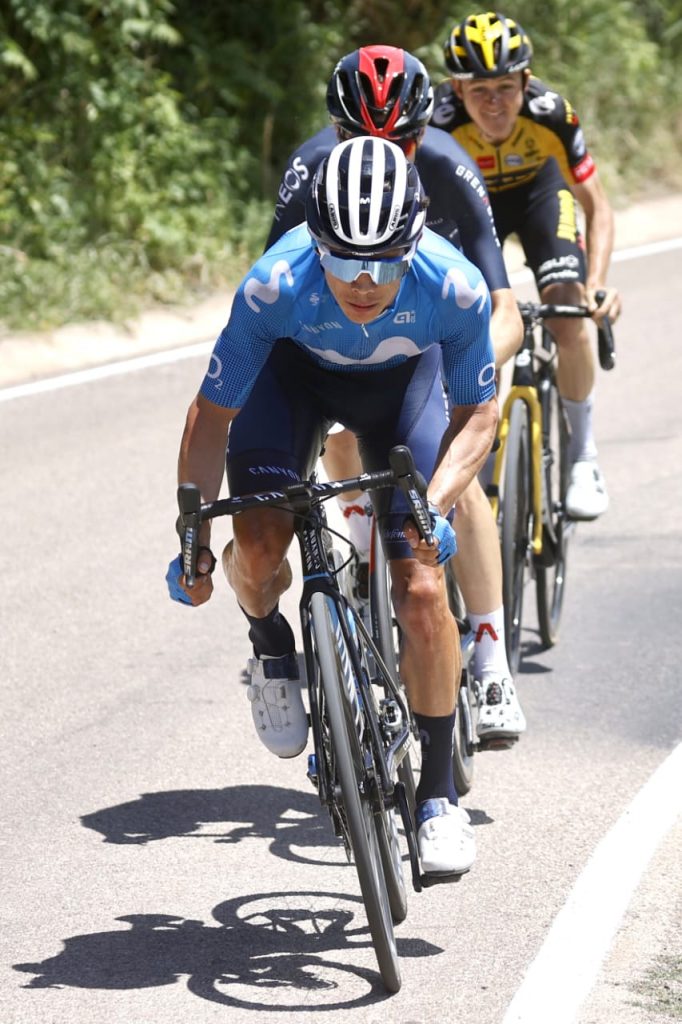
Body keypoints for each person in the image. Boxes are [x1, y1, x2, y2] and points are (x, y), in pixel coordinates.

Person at [167, 137, 499, 874]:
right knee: (258, 543)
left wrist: (437, 503)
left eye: (384, 261)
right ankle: (271, 645)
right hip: (293, 382)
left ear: (416, 243)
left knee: (421, 587)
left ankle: (438, 795)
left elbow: (477, 414)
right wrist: (193, 539)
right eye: (344, 261)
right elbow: (212, 415)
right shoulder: (274, 285)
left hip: (404, 390)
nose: (364, 282)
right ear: (314, 243)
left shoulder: (455, 288)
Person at [267, 45, 526, 743]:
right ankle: (359, 547)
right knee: (339, 433)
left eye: (402, 141)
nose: (384, 155)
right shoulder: (309, 170)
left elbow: (505, 307)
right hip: (347, 335)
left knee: (457, 471)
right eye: (360, 138)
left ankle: (491, 656)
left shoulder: (446, 162)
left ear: (423, 131)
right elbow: (280, 296)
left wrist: (465, 368)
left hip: (440, 329)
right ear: (336, 134)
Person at [432, 10, 622, 519]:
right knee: (471, 320)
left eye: (505, 88)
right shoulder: (437, 123)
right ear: (457, 89)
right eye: (479, 90)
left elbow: (598, 206)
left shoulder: (552, 113)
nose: (494, 103)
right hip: (472, 205)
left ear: (525, 82)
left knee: (568, 313)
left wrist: (596, 284)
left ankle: (583, 456)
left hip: (540, 195)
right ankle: (474, 451)